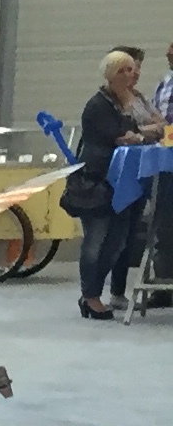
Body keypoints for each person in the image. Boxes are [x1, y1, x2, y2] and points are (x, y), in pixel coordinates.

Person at [69, 47, 163, 321]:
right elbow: (122, 135)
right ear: (110, 75)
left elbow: (150, 129)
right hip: (96, 182)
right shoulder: (99, 105)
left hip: (123, 184)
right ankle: (90, 296)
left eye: (132, 69)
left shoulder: (131, 101)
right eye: (123, 70)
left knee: (118, 243)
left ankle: (94, 291)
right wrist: (138, 133)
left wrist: (139, 133)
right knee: (95, 241)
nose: (130, 75)